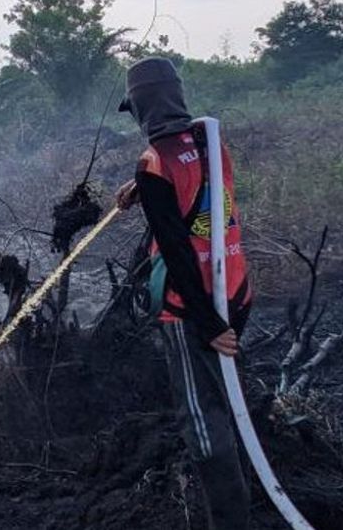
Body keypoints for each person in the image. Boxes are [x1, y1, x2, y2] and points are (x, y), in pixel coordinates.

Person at [114, 57, 253, 530]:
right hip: (235, 290)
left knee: (202, 418)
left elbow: (175, 251)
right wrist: (144, 189)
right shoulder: (210, 140)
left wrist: (207, 324)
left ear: (139, 108)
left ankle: (232, 522)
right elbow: (198, 186)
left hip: (192, 306)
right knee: (224, 393)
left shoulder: (154, 163)